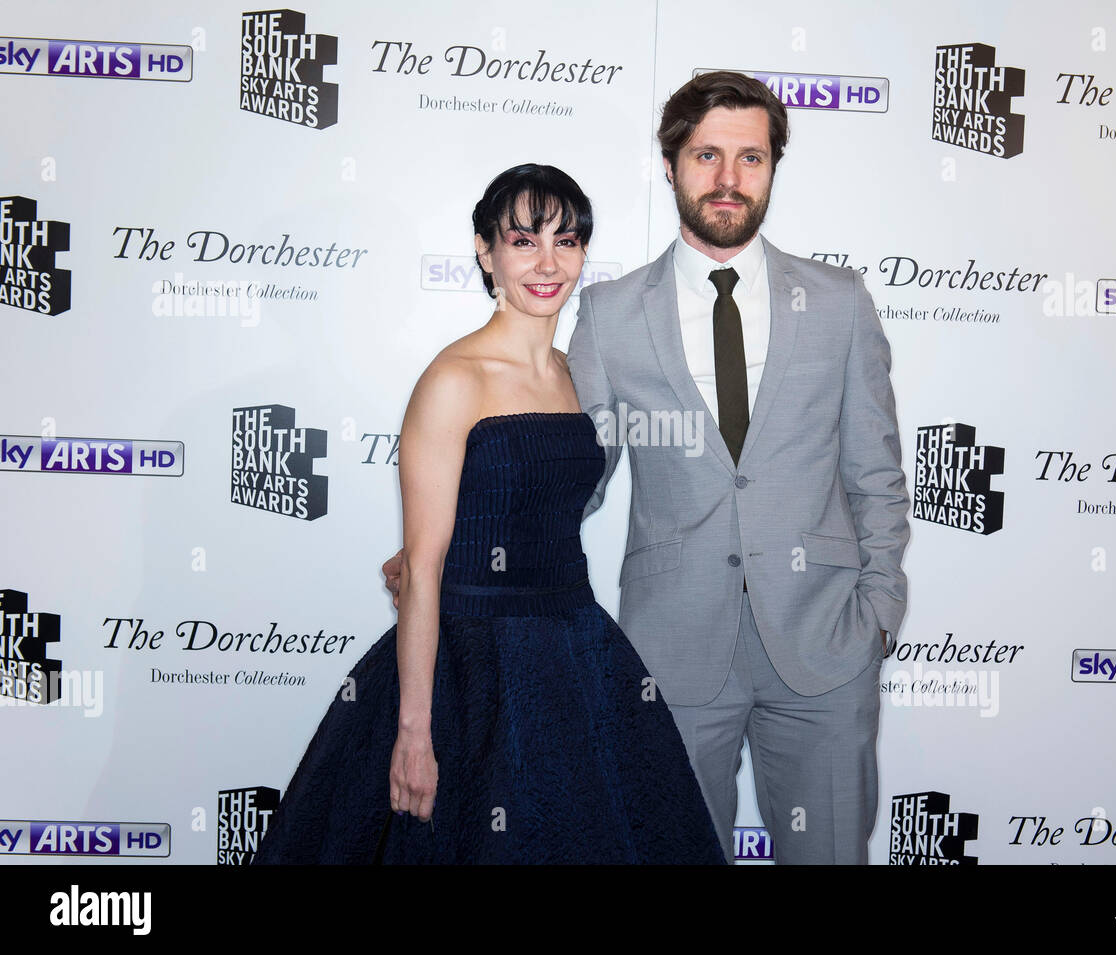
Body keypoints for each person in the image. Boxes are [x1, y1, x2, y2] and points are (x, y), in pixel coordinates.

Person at [389, 71, 910, 865]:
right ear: (670, 166)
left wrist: (877, 613)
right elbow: (574, 470)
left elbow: (877, 472)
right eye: (707, 155)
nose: (729, 179)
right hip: (669, 655)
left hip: (825, 650)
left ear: (773, 167)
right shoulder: (610, 312)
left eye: (751, 158)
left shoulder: (838, 301)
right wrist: (446, 550)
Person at [254, 164, 725, 865]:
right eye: (523, 240)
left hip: (578, 654)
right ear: (485, 251)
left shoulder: (577, 373)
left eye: (566, 241)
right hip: (468, 670)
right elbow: (423, 564)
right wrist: (415, 729)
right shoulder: (455, 379)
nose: (547, 262)